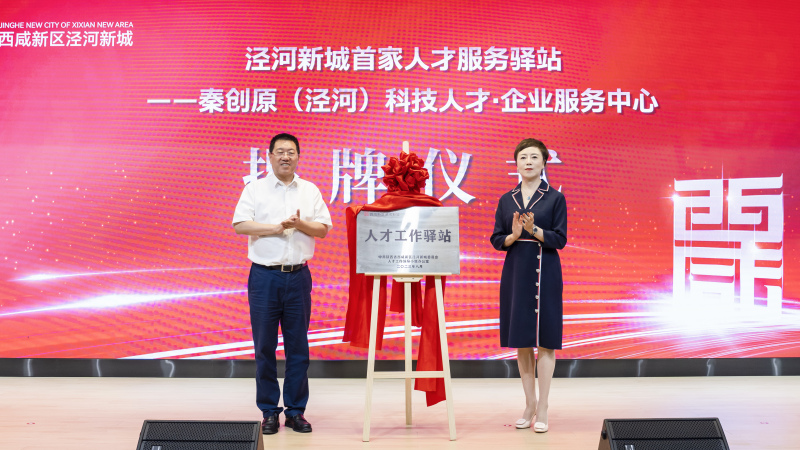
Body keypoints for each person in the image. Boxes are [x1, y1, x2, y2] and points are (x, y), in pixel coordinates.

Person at [232, 133, 332, 435]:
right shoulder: (255, 189)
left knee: (298, 347)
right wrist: (276, 228)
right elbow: (240, 225)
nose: (285, 157)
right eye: (280, 152)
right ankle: (269, 411)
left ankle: (296, 411)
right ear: (270, 156)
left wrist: (299, 224)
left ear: (298, 156)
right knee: (264, 346)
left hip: (298, 276)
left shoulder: (309, 190)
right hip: (265, 276)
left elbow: (323, 229)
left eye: (291, 152)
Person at [489, 138, 567, 433]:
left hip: (546, 270)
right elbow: (497, 239)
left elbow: (560, 239)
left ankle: (543, 406)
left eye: (535, 157)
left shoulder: (555, 197)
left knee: (546, 340)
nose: (529, 162)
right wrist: (513, 235)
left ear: (544, 162)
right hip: (516, 271)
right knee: (522, 340)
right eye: (523, 157)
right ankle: (529, 403)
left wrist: (534, 230)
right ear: (516, 164)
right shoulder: (506, 199)